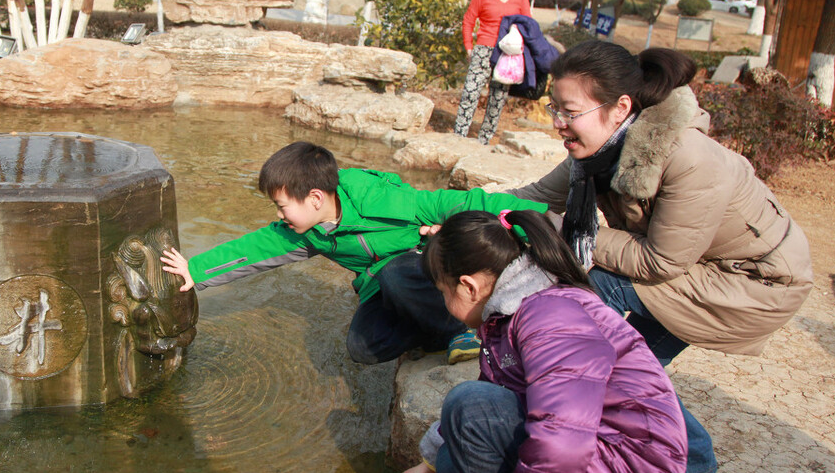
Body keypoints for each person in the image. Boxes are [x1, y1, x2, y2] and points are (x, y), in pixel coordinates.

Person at [506, 41, 813, 473]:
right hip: (696, 268)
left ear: (619, 108)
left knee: (596, 302)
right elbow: (532, 198)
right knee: (625, 363)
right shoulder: (599, 149)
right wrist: (460, 212)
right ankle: (696, 462)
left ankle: (679, 458)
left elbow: (660, 260)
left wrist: (561, 229)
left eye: (569, 112)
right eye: (555, 109)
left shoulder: (689, 158)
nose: (557, 123)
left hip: (752, 281)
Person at [394, 209, 687, 473]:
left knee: (467, 403)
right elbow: (499, 391)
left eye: (443, 292)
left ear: (468, 286)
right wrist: (429, 461)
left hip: (631, 471)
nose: (445, 302)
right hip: (600, 451)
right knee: (449, 462)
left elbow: (563, 434)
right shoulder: (510, 311)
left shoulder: (549, 316)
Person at [159, 141, 548, 365]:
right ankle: (432, 331)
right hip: (383, 284)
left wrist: (540, 219)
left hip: (424, 268)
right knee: (363, 348)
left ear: (314, 198)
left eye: (281, 206)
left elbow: (455, 202)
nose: (278, 215)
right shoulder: (310, 231)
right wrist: (196, 270)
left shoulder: (376, 198)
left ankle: (462, 331)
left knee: (396, 275)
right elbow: (256, 248)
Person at [455, 0, 532, 144]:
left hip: (507, 54)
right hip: (483, 49)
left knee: (497, 98)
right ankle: (459, 137)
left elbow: (528, 22)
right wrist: (468, 47)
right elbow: (468, 20)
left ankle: (484, 140)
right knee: (470, 93)